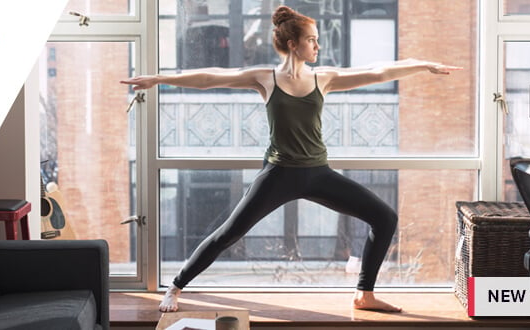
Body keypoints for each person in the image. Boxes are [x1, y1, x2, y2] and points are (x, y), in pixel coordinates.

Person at [120, 6, 461, 313]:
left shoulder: (322, 78)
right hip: (279, 174)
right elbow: (210, 77)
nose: (318, 46)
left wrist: (422, 65)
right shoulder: (265, 77)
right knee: (229, 234)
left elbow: (377, 71)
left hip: (318, 173)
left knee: (384, 218)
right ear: (294, 44)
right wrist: (160, 79)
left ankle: (364, 294)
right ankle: (176, 286)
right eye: (312, 40)